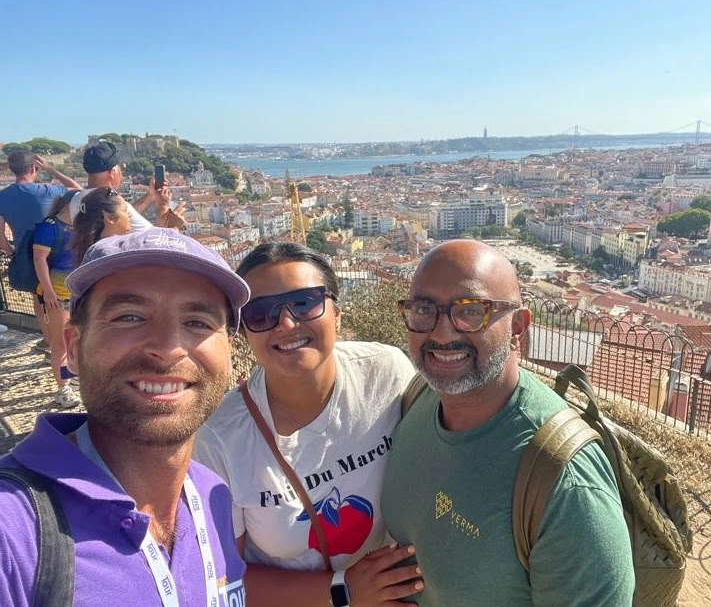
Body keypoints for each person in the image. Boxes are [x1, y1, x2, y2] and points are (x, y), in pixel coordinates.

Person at [0, 227, 251, 605]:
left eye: (198, 322)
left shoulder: (212, 494)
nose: (167, 348)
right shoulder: (13, 531)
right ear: (72, 346)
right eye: (130, 317)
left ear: (228, 352)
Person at [381, 239, 635, 606]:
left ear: (518, 326)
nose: (441, 332)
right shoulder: (419, 397)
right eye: (424, 309)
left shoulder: (567, 485)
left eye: (470, 311)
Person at [193, 242, 423, 606]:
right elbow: (225, 576)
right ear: (244, 332)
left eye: (304, 303)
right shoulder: (219, 438)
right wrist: (344, 590)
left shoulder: (386, 373)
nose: (285, 323)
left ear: (337, 314)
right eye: (261, 313)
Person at [0, 151, 82, 344]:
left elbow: (1, 239)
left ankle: (50, 341)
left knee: (39, 299)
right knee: (63, 303)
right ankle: (66, 343)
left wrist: (13, 252)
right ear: (33, 168)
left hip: (27, 258)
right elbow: (78, 190)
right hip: (57, 256)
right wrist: (51, 169)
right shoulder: (48, 190)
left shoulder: (3, 196)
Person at [32, 190, 82, 408]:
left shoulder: (77, 227)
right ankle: (63, 389)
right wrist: (49, 291)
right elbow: (39, 259)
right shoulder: (49, 227)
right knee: (61, 345)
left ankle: (70, 376)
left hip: (77, 293)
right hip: (58, 295)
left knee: (78, 341)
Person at [69, 140, 182, 232]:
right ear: (113, 173)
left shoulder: (76, 200)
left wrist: (150, 196)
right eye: (120, 170)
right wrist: (165, 211)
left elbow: (124, 216)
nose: (122, 177)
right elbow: (156, 240)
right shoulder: (109, 200)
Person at [70, 186, 134, 263]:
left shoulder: (92, 252)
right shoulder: (108, 254)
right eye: (125, 210)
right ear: (110, 219)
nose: (130, 215)